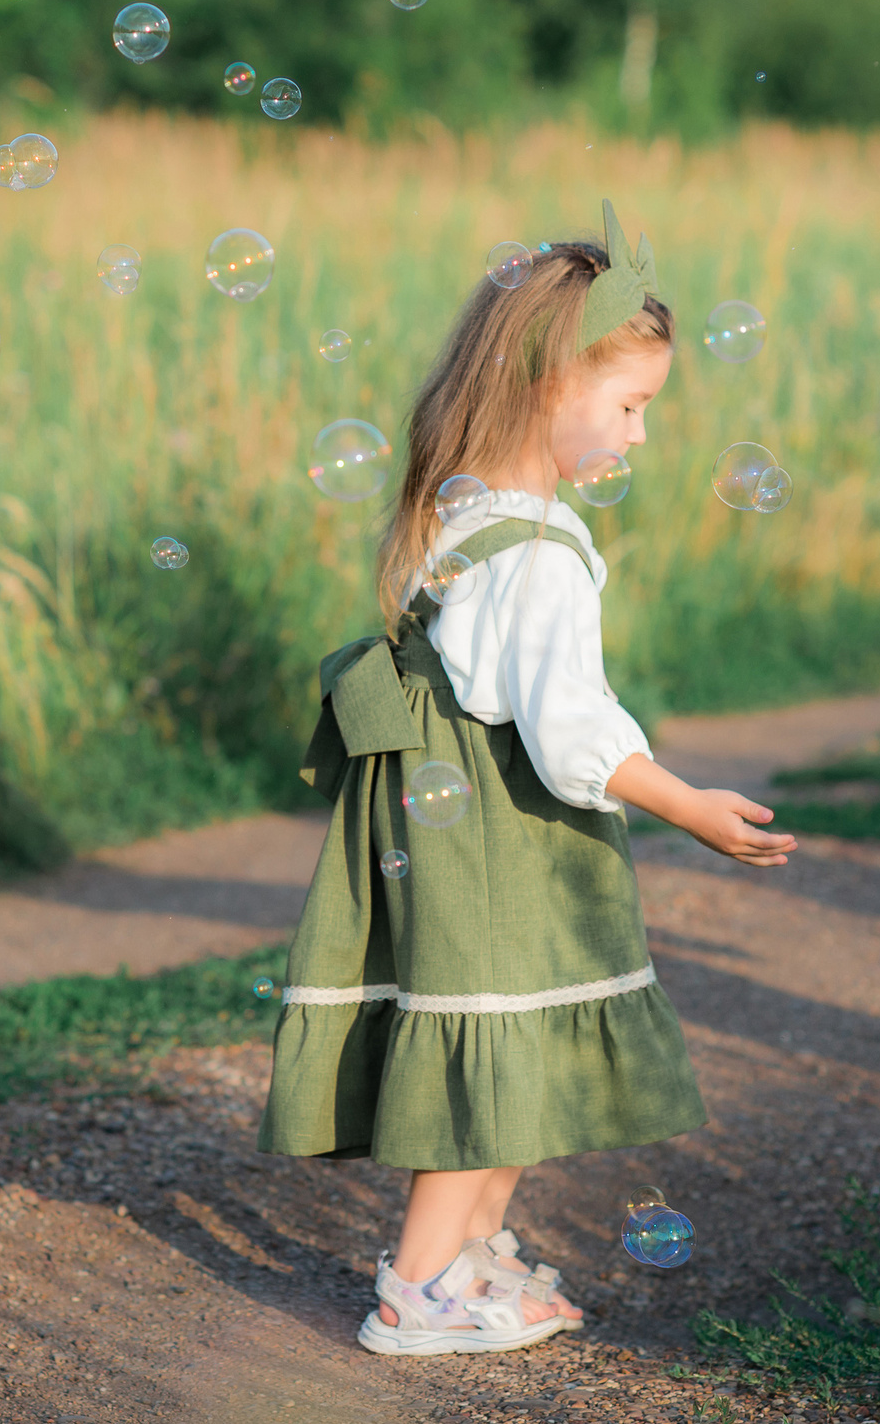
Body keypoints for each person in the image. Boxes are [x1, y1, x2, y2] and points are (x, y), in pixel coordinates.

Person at [259, 204, 797, 1356]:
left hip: (448, 835)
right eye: (632, 406)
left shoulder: (457, 511)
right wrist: (687, 802)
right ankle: (416, 1288)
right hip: (503, 844)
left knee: (503, 1050)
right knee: (488, 1066)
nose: (640, 436)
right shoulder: (541, 554)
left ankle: (464, 1261)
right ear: (551, 379)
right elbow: (567, 734)